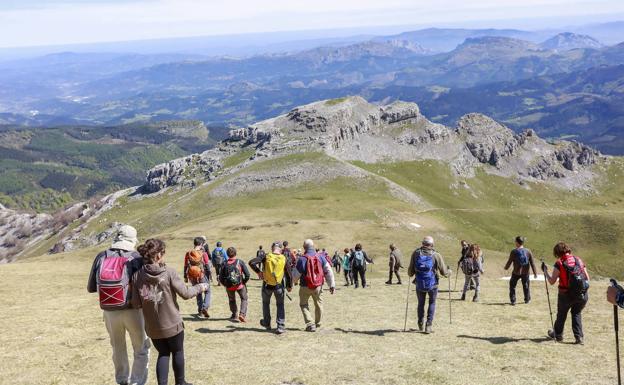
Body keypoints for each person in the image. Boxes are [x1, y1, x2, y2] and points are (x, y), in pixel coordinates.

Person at [132, 238, 208, 385]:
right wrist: (201, 287)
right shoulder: (169, 272)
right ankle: (180, 383)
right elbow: (186, 293)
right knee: (178, 352)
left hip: (153, 327)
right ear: (159, 255)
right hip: (173, 324)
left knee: (163, 354)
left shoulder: (137, 276)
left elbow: (135, 303)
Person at [87, 224, 150, 385]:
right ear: (132, 240)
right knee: (141, 348)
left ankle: (122, 380)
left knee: (118, 347)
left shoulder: (102, 256)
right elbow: (144, 288)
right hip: (134, 311)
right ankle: (137, 381)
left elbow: (91, 287)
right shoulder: (136, 257)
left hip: (110, 312)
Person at [542, 242, 590, 345]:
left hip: (565, 294)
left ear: (557, 253)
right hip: (582, 294)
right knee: (576, 313)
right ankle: (579, 337)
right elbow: (587, 278)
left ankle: (558, 335)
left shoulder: (559, 263)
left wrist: (545, 271)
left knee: (561, 314)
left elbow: (551, 281)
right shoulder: (578, 260)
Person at [407, 236, 449, 334]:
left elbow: (410, 272)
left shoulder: (416, 253)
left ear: (422, 243)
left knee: (421, 303)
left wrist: (412, 274)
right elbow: (444, 273)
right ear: (432, 244)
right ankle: (428, 326)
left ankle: (420, 323)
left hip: (419, 283)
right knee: (432, 303)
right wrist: (449, 271)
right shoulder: (436, 255)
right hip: (433, 284)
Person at [292, 239, 336, 332]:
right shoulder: (320, 257)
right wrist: (331, 285)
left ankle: (310, 324)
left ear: (304, 247)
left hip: (305, 286)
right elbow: (328, 271)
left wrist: (293, 282)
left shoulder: (302, 259)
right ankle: (318, 323)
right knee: (319, 304)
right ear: (313, 246)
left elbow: (295, 275)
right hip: (318, 286)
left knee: (303, 304)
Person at [249, 241, 292, 334]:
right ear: (280, 249)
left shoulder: (266, 256)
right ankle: (280, 326)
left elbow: (251, 262)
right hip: (279, 286)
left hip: (266, 285)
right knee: (280, 305)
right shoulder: (284, 258)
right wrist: (289, 286)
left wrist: (259, 272)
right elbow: (289, 274)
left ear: (272, 248)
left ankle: (266, 323)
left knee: (265, 303)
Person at [219, 247, 251, 322]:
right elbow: (247, 274)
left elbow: (220, 277)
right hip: (240, 285)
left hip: (229, 286)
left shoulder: (224, 263)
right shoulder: (240, 262)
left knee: (232, 300)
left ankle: (234, 314)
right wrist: (243, 282)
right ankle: (242, 314)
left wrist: (225, 284)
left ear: (227, 254)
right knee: (244, 299)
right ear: (235, 253)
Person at [504, 236, 538, 305]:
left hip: (516, 272)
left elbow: (510, 261)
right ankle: (527, 299)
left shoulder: (514, 251)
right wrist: (535, 273)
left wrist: (506, 267)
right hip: (525, 272)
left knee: (512, 285)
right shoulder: (528, 251)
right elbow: (532, 263)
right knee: (526, 285)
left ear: (517, 242)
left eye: (515, 241)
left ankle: (513, 300)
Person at [183, 237, 212, 318]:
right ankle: (205, 307)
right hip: (201, 274)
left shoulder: (188, 253)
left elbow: (185, 265)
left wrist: (185, 276)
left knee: (197, 291)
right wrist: (210, 275)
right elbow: (207, 266)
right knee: (208, 291)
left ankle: (200, 310)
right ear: (201, 244)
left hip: (192, 275)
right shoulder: (204, 253)